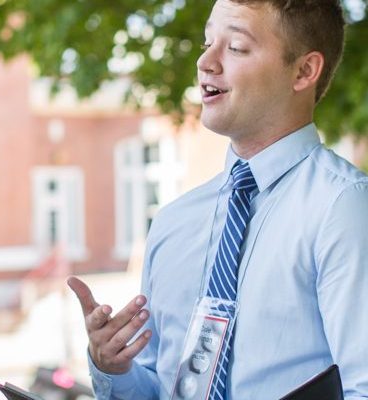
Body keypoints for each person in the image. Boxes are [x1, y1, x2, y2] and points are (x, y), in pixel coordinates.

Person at [69, 0, 368, 399]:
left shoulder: (344, 207)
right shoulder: (172, 222)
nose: (207, 62)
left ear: (303, 71)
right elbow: (157, 386)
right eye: (207, 43)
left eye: (237, 47)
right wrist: (114, 368)